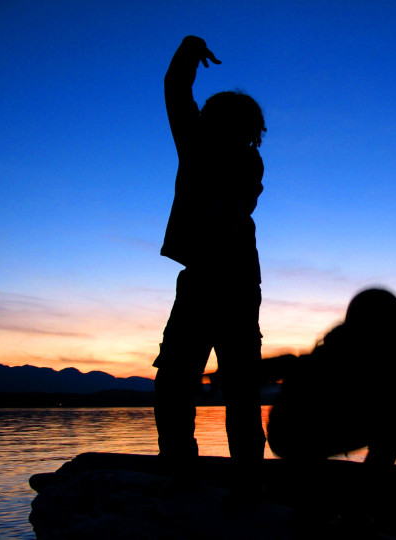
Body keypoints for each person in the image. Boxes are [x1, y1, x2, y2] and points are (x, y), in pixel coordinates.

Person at [153, 35, 267, 493]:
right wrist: (186, 50)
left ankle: (244, 479)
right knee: (181, 381)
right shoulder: (207, 148)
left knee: (233, 385)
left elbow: (177, 95)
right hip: (210, 279)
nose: (198, 118)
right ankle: (184, 469)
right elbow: (177, 92)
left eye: (209, 115)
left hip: (229, 281)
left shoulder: (242, 161)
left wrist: (186, 53)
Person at [266, 288, 396, 530]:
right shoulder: (367, 361)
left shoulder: (332, 348)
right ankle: (349, 511)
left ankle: (317, 506)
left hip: (295, 435)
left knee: (394, 418)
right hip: (298, 436)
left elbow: (287, 364)